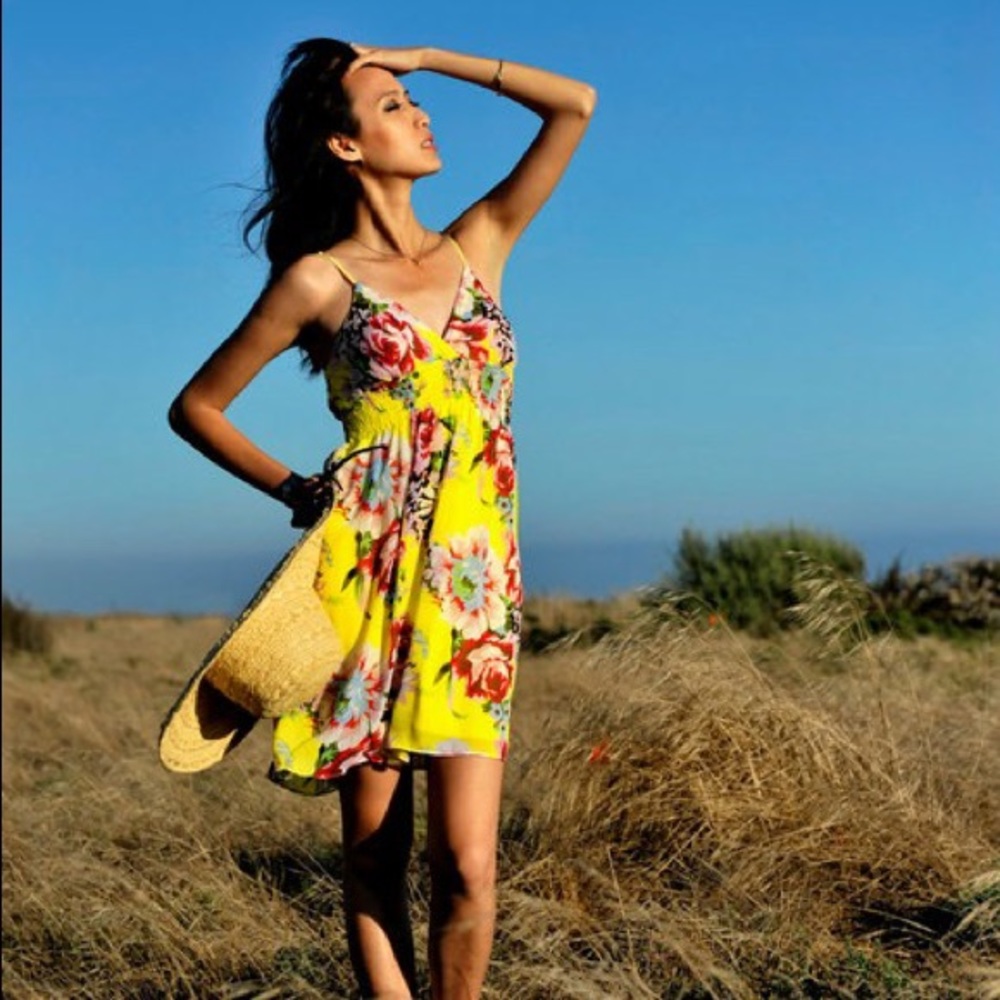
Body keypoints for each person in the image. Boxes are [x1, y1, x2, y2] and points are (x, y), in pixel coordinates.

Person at [168, 38, 595, 1000]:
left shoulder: (479, 242)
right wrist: (297, 493)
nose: (421, 114)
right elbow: (198, 407)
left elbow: (573, 104)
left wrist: (430, 58)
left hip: (476, 594)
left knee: (470, 867)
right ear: (345, 146)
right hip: (363, 590)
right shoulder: (317, 282)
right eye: (395, 105)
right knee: (374, 859)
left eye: (413, 100)